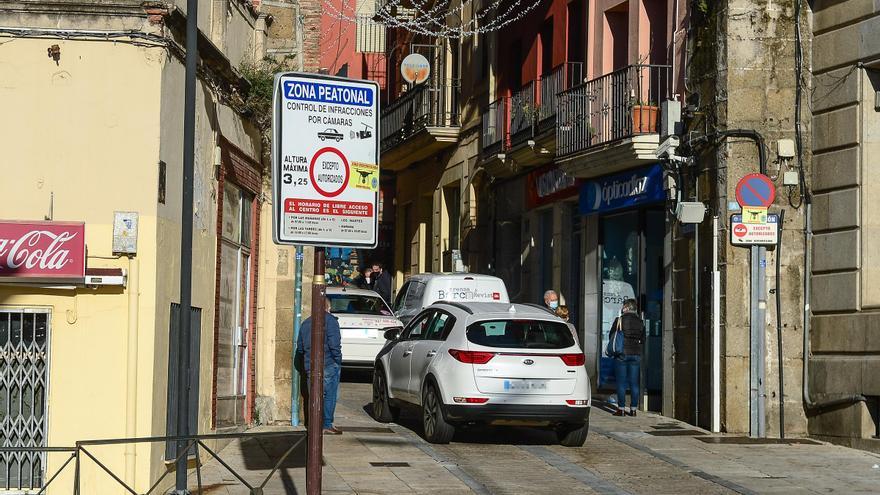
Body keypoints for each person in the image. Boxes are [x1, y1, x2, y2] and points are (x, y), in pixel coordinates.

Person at [295, 297, 343, 434]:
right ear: (328, 307)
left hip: (311, 366)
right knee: (330, 395)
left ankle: (314, 424)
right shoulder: (331, 321)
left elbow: (300, 348)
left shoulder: (305, 324)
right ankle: (327, 424)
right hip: (328, 363)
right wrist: (338, 360)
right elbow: (335, 345)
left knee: (314, 396)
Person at [611, 298, 645, 417]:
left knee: (621, 383)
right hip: (635, 354)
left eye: (623, 306)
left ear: (626, 307)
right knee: (634, 383)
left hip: (621, 354)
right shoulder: (640, 322)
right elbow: (643, 339)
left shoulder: (619, 320)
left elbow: (612, 335)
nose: (622, 308)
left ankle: (621, 409)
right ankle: (633, 409)